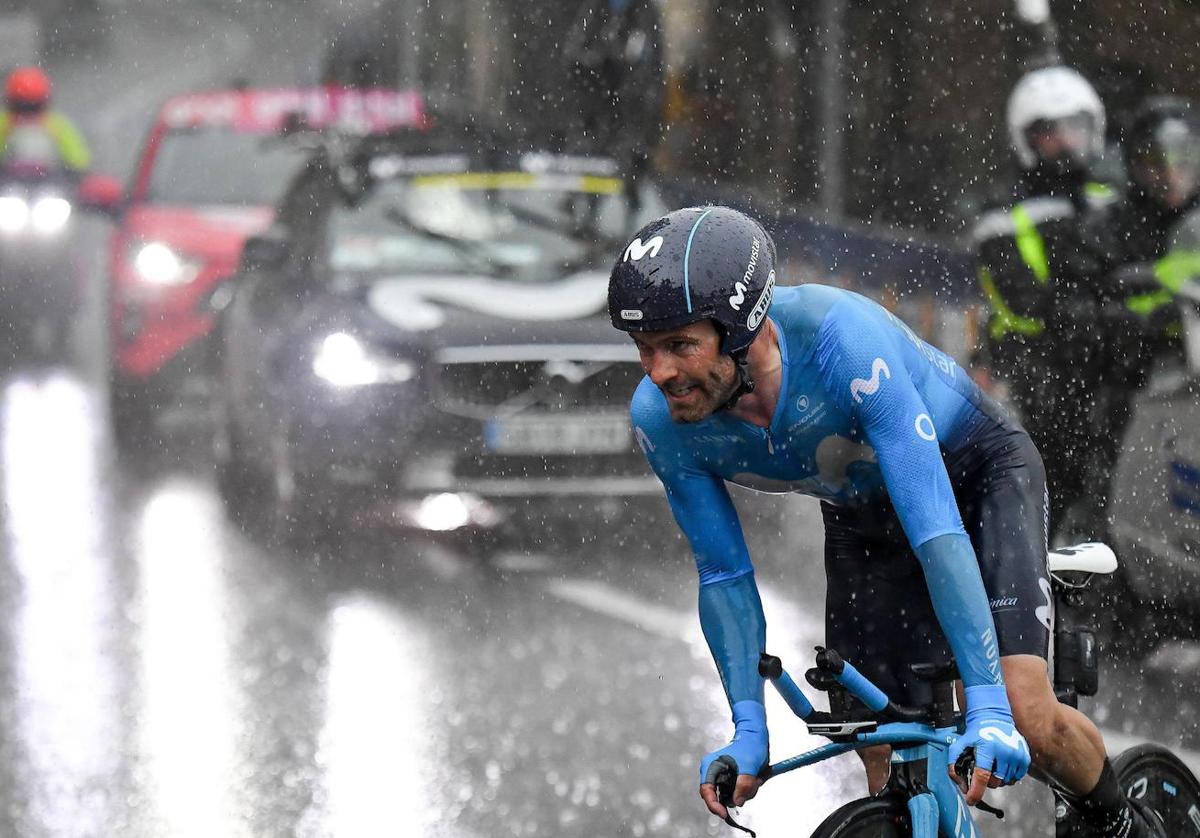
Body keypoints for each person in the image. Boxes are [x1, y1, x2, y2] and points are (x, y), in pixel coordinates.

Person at [609, 205, 1164, 836]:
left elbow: (937, 534)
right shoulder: (662, 419)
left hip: (974, 479)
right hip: (863, 516)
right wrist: (748, 731)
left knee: (1023, 714)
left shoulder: (843, 344)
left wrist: (985, 705)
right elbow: (724, 575)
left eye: (680, 345)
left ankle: (1126, 825)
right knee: (882, 741)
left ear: (746, 329)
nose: (660, 373)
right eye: (645, 348)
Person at [973, 65, 1113, 537]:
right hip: (1037, 372)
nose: (1065, 143)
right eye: (1050, 133)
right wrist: (1080, 313)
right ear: (1026, 139)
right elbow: (1020, 301)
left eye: (1075, 128)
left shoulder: (1113, 199)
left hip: (1108, 364)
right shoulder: (1002, 214)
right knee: (1042, 478)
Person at [0, 66, 91, 174]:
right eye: (21, 108)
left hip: (53, 186)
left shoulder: (57, 125)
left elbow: (79, 162)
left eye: (33, 108)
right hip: (7, 185)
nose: (27, 117)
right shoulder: (3, 124)